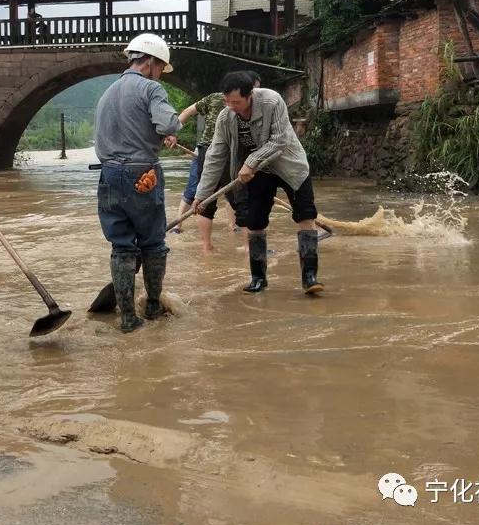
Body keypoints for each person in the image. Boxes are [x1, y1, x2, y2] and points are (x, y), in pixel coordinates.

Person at [194, 70, 324, 296]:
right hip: (258, 172)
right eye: (227, 102)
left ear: (249, 95)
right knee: (254, 221)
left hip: (290, 166)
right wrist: (202, 194)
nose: (231, 106)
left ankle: (309, 276)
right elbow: (215, 156)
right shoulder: (226, 117)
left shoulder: (272, 101)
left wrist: (251, 161)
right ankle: (258, 278)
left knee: (305, 215)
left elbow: (280, 139)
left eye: (236, 102)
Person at [94, 32, 182, 332]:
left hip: (108, 176)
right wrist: (169, 129)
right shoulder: (151, 89)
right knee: (153, 243)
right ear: (152, 63)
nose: (160, 75)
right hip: (141, 173)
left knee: (121, 246)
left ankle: (129, 318)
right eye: (160, 68)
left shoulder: (107, 93)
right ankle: (154, 307)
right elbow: (169, 123)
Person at [172, 88, 235, 253]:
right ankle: (178, 226)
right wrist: (172, 132)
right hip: (207, 151)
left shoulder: (249, 102)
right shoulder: (214, 98)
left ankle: (233, 227)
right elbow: (187, 111)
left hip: (229, 151)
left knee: (232, 192)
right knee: (196, 192)